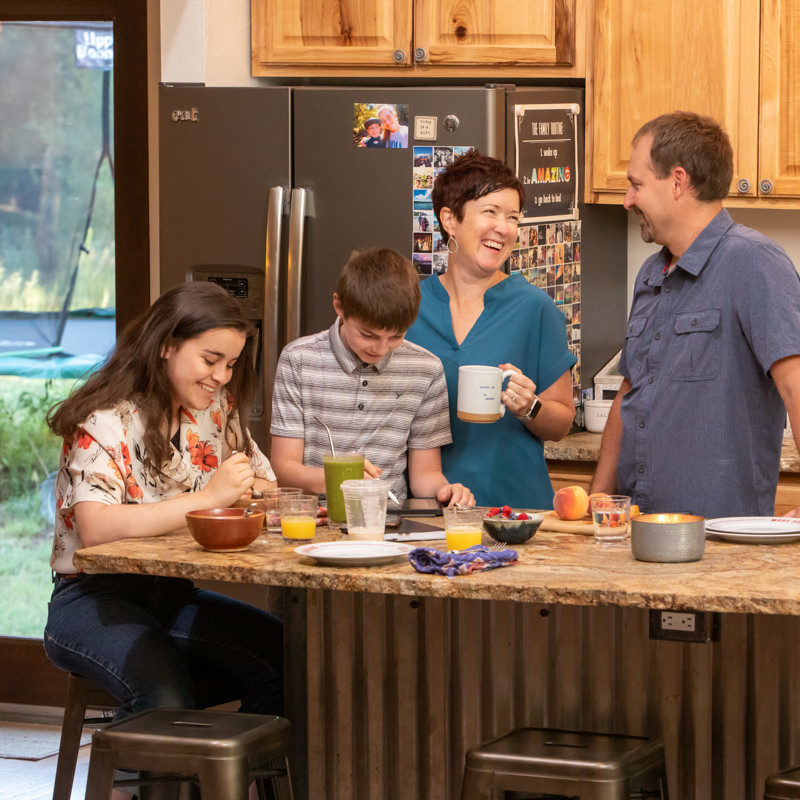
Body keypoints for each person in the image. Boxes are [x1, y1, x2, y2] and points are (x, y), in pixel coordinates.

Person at [43, 282, 283, 725]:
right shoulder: (104, 418)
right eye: (211, 360)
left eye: (230, 364)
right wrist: (208, 498)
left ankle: (248, 787)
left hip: (172, 592)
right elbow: (94, 527)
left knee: (284, 657)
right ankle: (130, 787)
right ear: (166, 346)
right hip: (93, 599)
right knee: (166, 694)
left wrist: (270, 495)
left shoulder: (214, 411)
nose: (222, 377)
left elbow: (259, 483)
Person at [590, 111, 800, 518]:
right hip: (637, 529)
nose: (627, 199)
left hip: (720, 539)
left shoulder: (753, 263)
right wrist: (598, 500)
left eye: (636, 184)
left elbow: (796, 388)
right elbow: (628, 393)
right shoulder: (651, 273)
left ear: (678, 182)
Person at [405, 151, 576, 509]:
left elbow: (561, 422)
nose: (504, 227)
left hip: (517, 512)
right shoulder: (409, 308)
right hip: (428, 512)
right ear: (450, 220)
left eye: (513, 217)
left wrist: (529, 406)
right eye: (490, 212)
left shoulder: (535, 309)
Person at [270, 247, 474, 507]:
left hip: (387, 520)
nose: (380, 349)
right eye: (368, 335)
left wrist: (446, 490)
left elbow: (425, 475)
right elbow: (284, 469)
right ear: (339, 306)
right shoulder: (298, 360)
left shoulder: (426, 370)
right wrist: (341, 478)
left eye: (396, 337)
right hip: (314, 520)